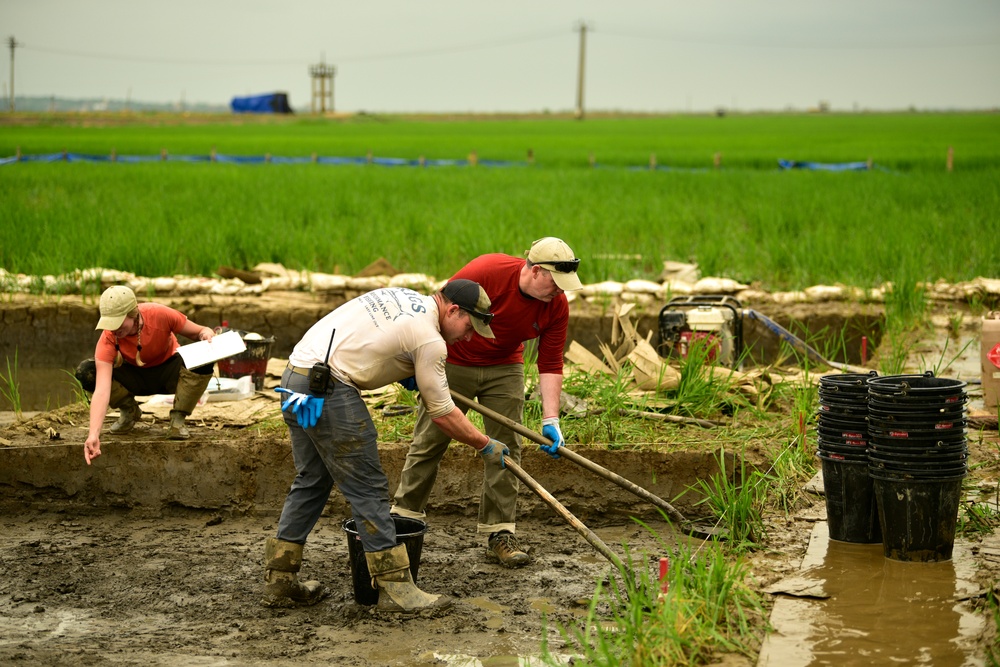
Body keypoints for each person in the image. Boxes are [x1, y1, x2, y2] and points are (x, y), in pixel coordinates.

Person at [264, 279, 509, 613]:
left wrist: (403, 369)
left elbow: (371, 340)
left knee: (313, 479)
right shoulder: (430, 340)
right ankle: (395, 587)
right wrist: (484, 444)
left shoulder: (402, 296)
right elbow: (442, 414)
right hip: (329, 388)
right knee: (368, 487)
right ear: (453, 309)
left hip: (296, 378)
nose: (468, 336)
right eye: (469, 326)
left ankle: (280, 579)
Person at [391, 237, 583, 567]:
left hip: (506, 367)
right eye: (555, 282)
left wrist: (551, 418)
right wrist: (417, 364)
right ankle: (402, 521)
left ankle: (500, 532)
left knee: (506, 446)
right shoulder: (486, 271)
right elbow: (438, 311)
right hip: (453, 360)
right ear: (536, 272)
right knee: (429, 440)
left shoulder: (557, 304)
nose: (559, 291)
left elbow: (550, 362)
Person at [79, 285, 217, 465]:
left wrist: (206, 335)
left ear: (133, 314)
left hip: (169, 373)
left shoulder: (160, 314)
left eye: (118, 323)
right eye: (109, 324)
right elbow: (102, 391)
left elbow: (200, 330)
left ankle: (178, 419)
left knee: (205, 356)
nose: (114, 330)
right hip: (134, 378)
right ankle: (129, 410)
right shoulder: (109, 338)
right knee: (87, 371)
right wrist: (93, 434)